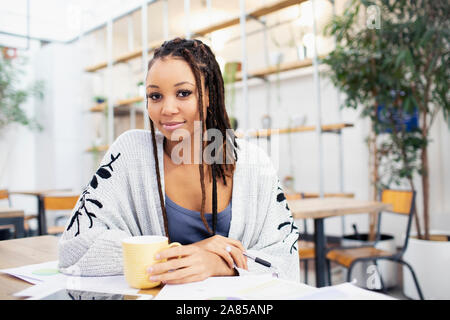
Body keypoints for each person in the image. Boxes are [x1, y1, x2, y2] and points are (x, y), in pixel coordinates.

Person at [58, 37, 300, 284]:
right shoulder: (130, 152)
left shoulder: (253, 162)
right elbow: (74, 248)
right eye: (155, 96)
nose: (167, 108)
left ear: (209, 96)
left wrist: (219, 264)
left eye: (183, 93)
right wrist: (187, 254)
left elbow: (284, 259)